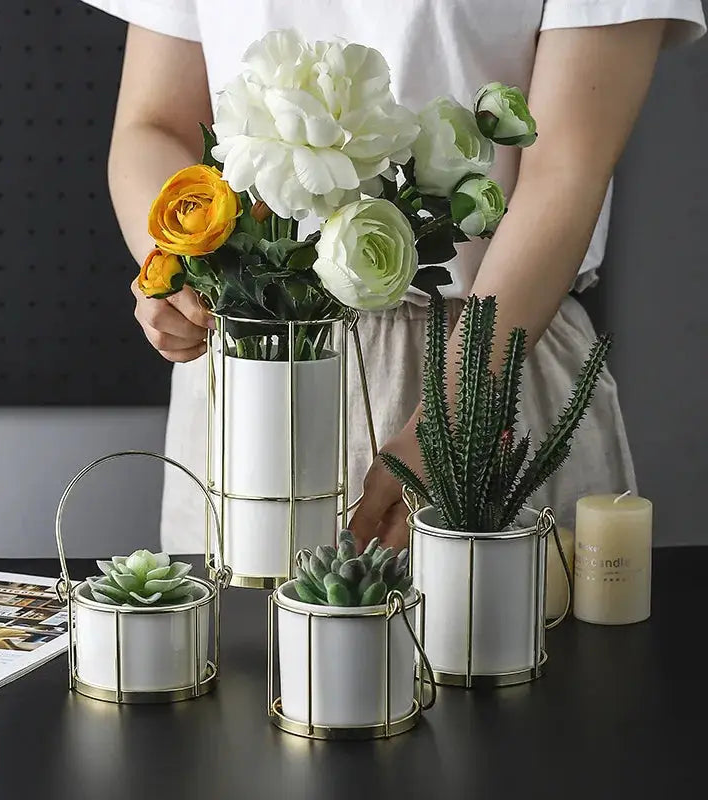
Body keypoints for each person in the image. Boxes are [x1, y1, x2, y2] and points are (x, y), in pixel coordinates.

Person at [84, 0, 705, 551]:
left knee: (509, 668)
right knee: (239, 670)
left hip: (488, 362)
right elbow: (153, 125)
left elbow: (565, 167)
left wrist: (455, 415)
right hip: (251, 362)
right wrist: (178, 266)